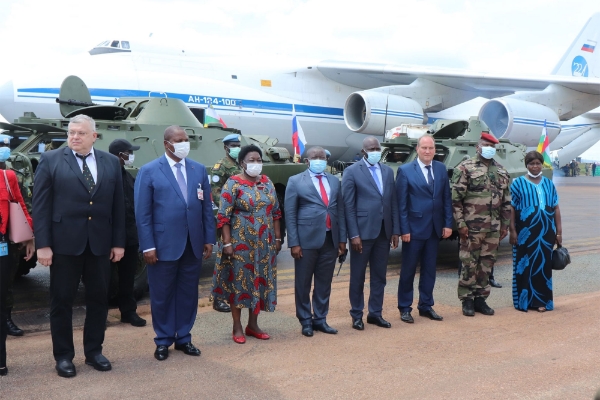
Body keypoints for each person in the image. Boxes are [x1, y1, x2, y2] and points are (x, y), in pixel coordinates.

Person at [33, 114, 126, 378]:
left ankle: (94, 352)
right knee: (61, 302)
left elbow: (118, 205)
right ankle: (63, 357)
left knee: (99, 299)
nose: (74, 137)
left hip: (99, 244)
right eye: (71, 132)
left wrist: (118, 243)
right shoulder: (51, 160)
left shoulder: (110, 162)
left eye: (81, 133)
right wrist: (43, 245)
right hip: (63, 245)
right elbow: (40, 207)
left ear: (94, 136)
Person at [135, 126, 215, 361]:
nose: (183, 144)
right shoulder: (149, 171)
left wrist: (209, 238)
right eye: (178, 140)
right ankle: (163, 339)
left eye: (185, 139)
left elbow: (206, 209)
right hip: (162, 245)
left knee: (188, 293)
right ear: (166, 144)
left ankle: (184, 338)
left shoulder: (198, 169)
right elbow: (143, 213)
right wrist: (147, 246)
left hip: (193, 244)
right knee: (162, 294)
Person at [211, 144, 282, 344]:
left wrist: (277, 238)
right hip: (240, 242)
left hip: (264, 243)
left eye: (259, 160)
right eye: (251, 160)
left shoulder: (267, 183)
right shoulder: (233, 184)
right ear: (242, 163)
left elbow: (276, 212)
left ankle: (253, 324)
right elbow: (223, 217)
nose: (256, 164)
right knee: (239, 282)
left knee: (259, 282)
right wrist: (226, 243)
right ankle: (237, 326)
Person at [285, 146, 346, 337]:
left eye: (322, 157)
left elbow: (340, 212)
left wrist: (342, 240)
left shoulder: (335, 181)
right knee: (303, 283)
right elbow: (290, 214)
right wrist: (294, 243)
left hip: (330, 239)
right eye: (315, 157)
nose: (319, 160)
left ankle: (320, 319)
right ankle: (305, 320)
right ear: (307, 161)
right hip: (305, 241)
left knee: (324, 282)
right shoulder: (295, 181)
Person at [342, 136, 399, 330]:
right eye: (371, 148)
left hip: (384, 232)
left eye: (377, 148)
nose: (375, 151)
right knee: (357, 276)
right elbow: (348, 206)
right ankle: (356, 314)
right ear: (363, 151)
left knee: (379, 276)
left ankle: (375, 313)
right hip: (362, 233)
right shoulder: (351, 172)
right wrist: (353, 235)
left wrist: (395, 231)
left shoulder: (387, 171)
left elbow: (393, 203)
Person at [451, 132, 510, 317]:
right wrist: (460, 223)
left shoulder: (501, 170)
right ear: (478, 147)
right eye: (486, 145)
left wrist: (505, 225)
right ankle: (467, 299)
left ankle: (480, 299)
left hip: (493, 228)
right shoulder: (465, 168)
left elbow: (506, 201)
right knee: (469, 263)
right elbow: (456, 200)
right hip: (472, 227)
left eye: (492, 146)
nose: (489, 149)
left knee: (487, 263)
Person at [395, 135, 452, 324]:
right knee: (408, 270)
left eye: (431, 148)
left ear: (435, 150)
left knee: (429, 270)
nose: (428, 151)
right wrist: (404, 229)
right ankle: (405, 307)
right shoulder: (405, 171)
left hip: (435, 228)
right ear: (417, 149)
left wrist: (447, 224)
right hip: (413, 229)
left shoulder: (441, 168)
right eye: (424, 148)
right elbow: (401, 204)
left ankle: (426, 305)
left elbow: (446, 199)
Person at [509, 151, 562, 312]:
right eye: (531, 163)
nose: (535, 166)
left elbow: (556, 207)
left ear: (541, 164)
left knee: (543, 265)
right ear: (527, 165)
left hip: (546, 232)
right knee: (524, 264)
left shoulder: (548, 183)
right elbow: (511, 207)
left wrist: (559, 232)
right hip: (525, 232)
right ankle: (523, 302)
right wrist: (512, 230)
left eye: (538, 163)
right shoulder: (517, 183)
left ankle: (542, 301)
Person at [0, 142, 35, 377]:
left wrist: (29, 236)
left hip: (4, 244)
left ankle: (1, 361)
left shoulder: (7, 176)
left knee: (3, 294)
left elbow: (21, 204)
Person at [107, 139, 146, 327]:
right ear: (119, 155)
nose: (131, 156)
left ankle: (128, 311)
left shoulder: (127, 176)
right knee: (103, 278)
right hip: (109, 235)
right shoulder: (105, 175)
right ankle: (100, 315)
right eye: (129, 152)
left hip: (129, 235)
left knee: (128, 277)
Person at [209, 133, 242, 313]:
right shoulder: (221, 167)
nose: (236, 147)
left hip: (244, 220)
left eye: (238, 144)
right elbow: (216, 193)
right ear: (226, 147)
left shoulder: (242, 164)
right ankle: (218, 298)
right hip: (229, 218)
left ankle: (236, 294)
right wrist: (231, 207)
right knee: (224, 259)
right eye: (233, 145)